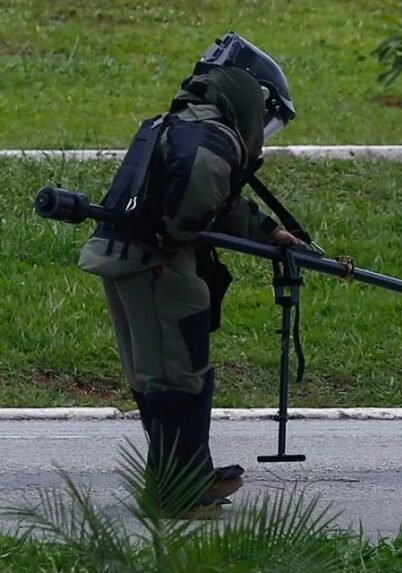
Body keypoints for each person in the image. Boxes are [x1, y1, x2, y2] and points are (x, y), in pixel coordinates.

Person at [78, 32, 303, 519]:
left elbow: (214, 198)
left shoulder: (178, 124)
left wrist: (267, 233)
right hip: (159, 267)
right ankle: (179, 494)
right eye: (265, 117)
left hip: (122, 258)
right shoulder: (212, 137)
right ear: (250, 94)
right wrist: (196, 228)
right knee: (180, 379)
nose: (261, 129)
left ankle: (185, 473)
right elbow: (189, 212)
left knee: (156, 375)